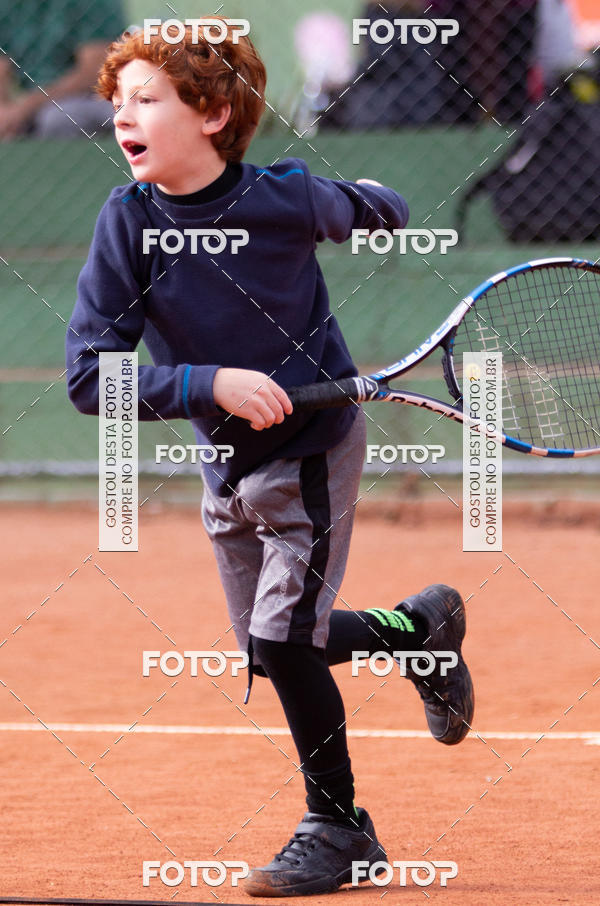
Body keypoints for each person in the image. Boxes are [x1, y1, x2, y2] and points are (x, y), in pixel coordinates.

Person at [65, 20, 474, 898]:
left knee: (282, 638)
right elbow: (89, 379)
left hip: (313, 448)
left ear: (212, 114)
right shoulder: (126, 224)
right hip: (228, 465)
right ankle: (418, 633)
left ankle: (339, 828)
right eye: (117, 102)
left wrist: (363, 199)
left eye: (147, 100)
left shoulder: (283, 198)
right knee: (274, 647)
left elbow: (385, 209)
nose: (123, 117)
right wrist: (212, 384)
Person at [0, 0, 124, 139]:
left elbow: (94, 73)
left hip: (96, 97)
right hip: (36, 103)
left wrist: (24, 108)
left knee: (58, 119)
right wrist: (5, 112)